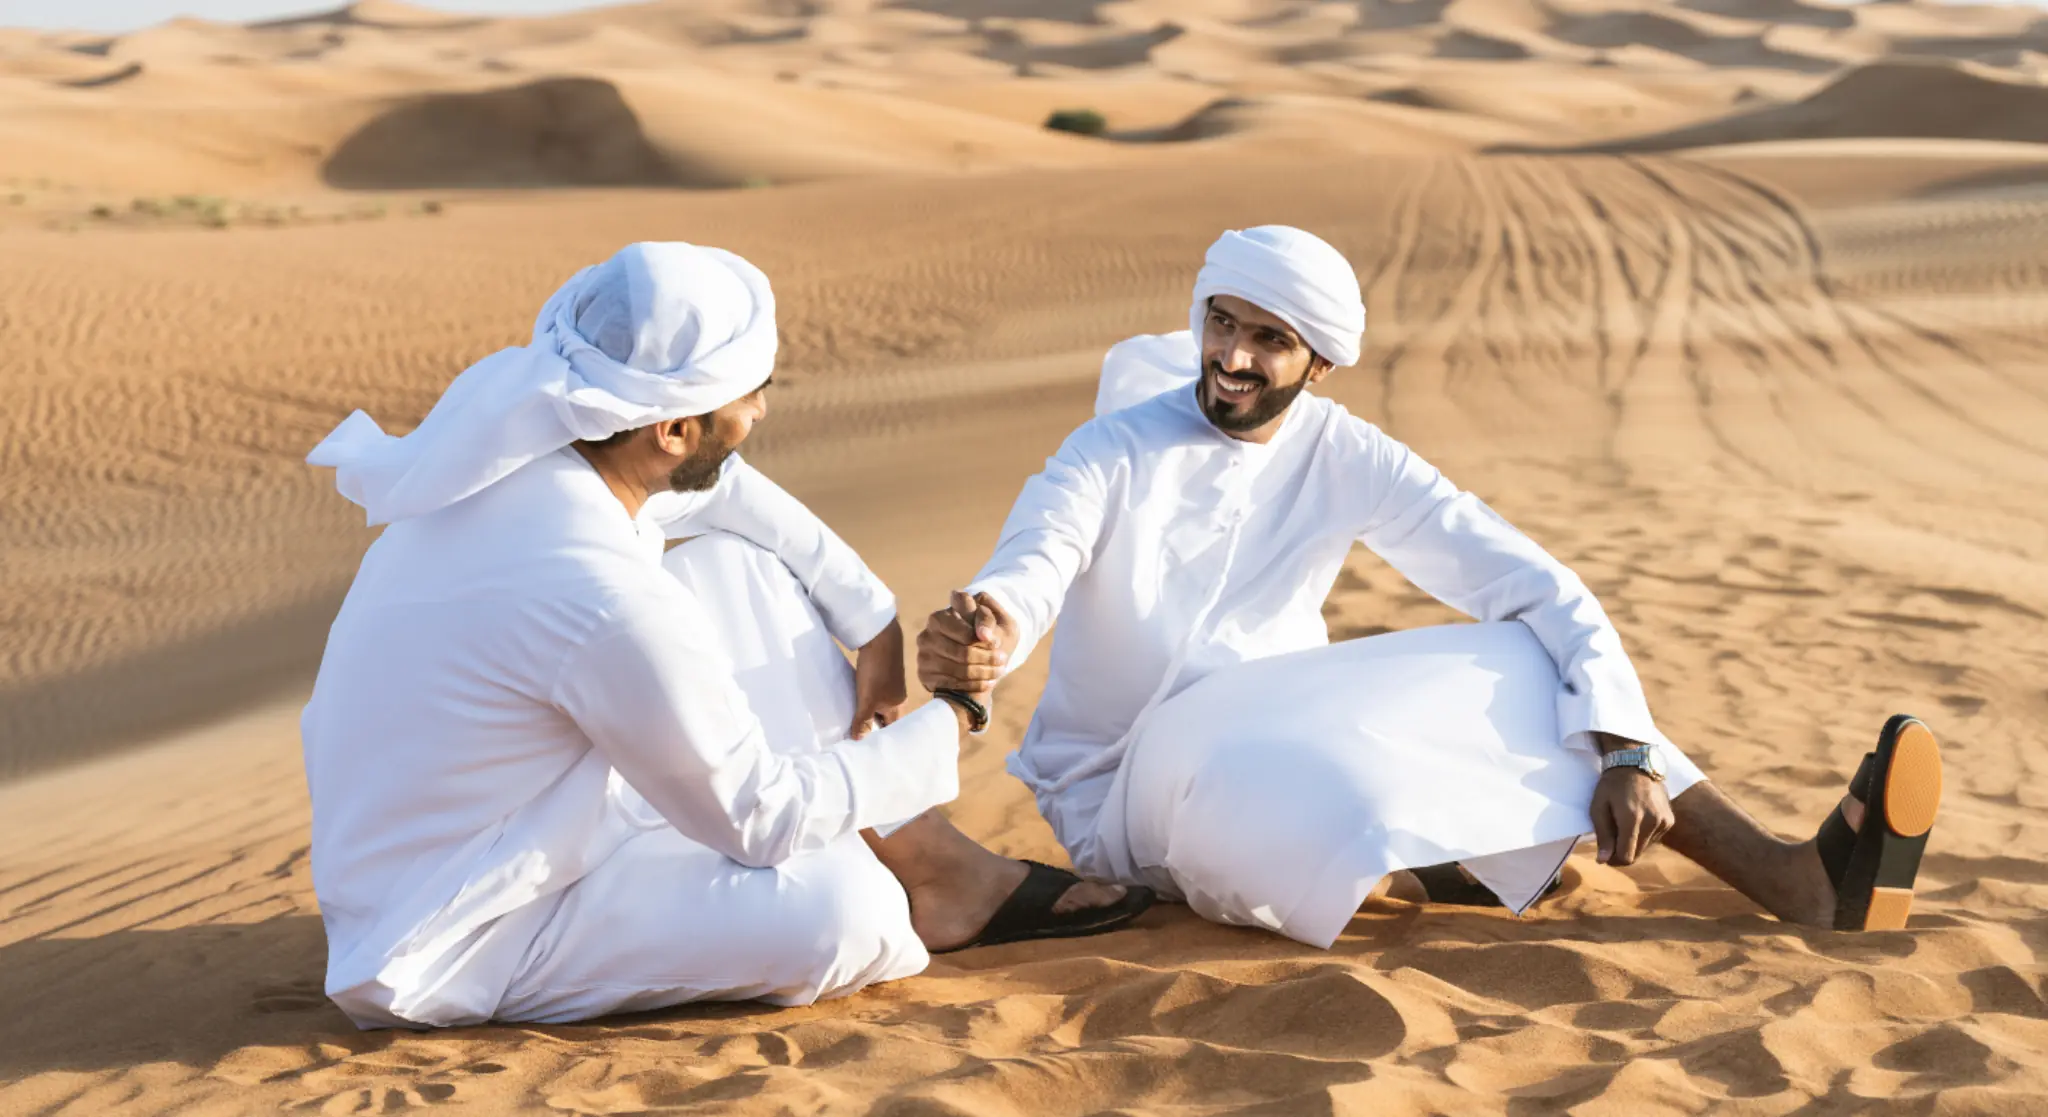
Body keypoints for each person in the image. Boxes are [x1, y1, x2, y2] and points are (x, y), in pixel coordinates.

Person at [917, 225, 1943, 948]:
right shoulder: (1111, 449)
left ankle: (1790, 876)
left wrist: (1623, 745)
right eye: (1219, 323)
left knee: (1523, 652)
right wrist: (991, 625)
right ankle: (1427, 858)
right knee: (1278, 778)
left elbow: (1532, 582)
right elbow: (1036, 556)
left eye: (1265, 340)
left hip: (1269, 726)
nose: (1230, 357)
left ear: (1319, 362)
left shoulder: (1348, 454)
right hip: (1128, 784)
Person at [301, 242, 1149, 1029]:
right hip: (462, 925)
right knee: (850, 918)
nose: (761, 410)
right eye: (748, 395)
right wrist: (956, 710)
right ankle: (906, 877)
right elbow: (761, 817)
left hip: (505, 817)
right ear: (670, 429)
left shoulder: (533, 459)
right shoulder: (595, 589)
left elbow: (723, 493)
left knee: (739, 569)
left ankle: (928, 857)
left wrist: (873, 619)